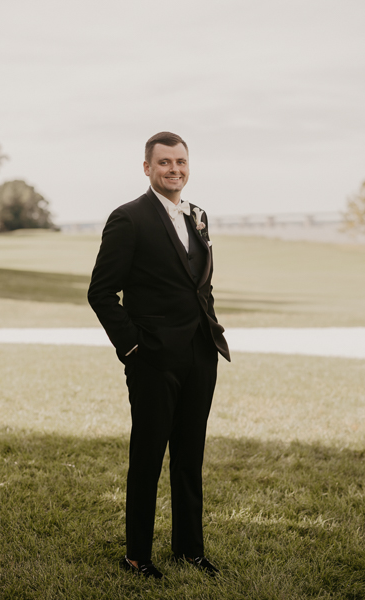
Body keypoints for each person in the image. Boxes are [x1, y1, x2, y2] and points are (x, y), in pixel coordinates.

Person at [87, 133, 230, 578]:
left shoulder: (199, 216)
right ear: (147, 168)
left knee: (190, 457)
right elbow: (101, 292)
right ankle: (138, 556)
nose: (175, 169)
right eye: (164, 162)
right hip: (152, 359)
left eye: (181, 162)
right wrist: (132, 348)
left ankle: (190, 548)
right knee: (147, 457)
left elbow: (198, 283)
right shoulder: (128, 219)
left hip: (200, 354)